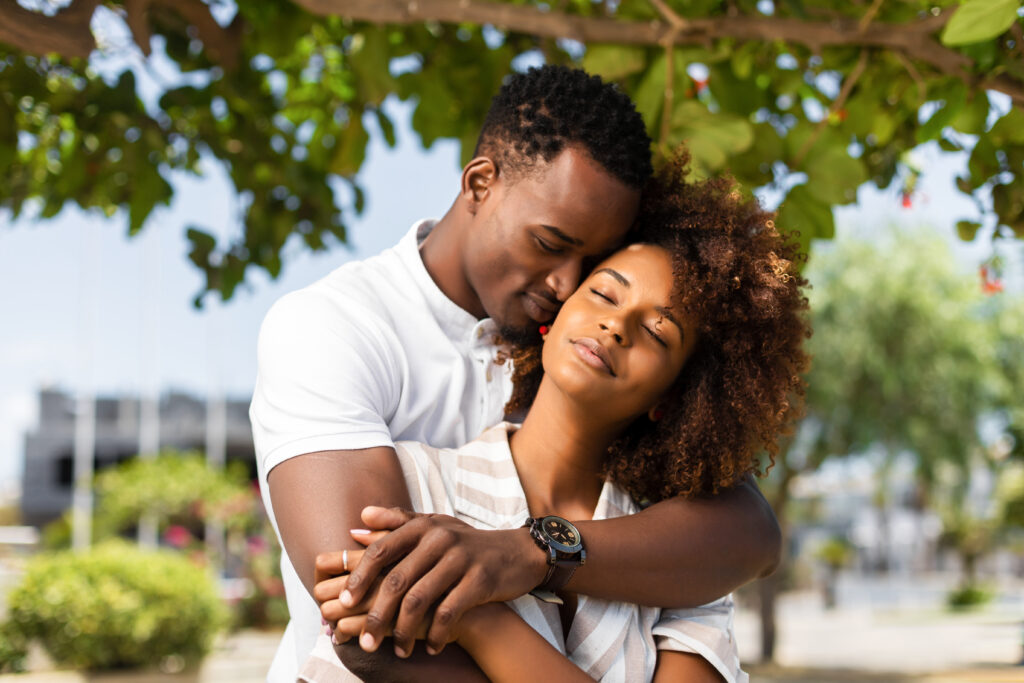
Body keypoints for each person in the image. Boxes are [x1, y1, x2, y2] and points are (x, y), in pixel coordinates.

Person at [251, 65, 783, 681]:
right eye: (552, 243)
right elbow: (375, 614)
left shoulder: (582, 361)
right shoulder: (334, 326)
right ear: (480, 183)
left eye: (591, 262)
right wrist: (478, 608)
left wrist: (530, 552)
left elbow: (750, 533)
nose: (566, 284)